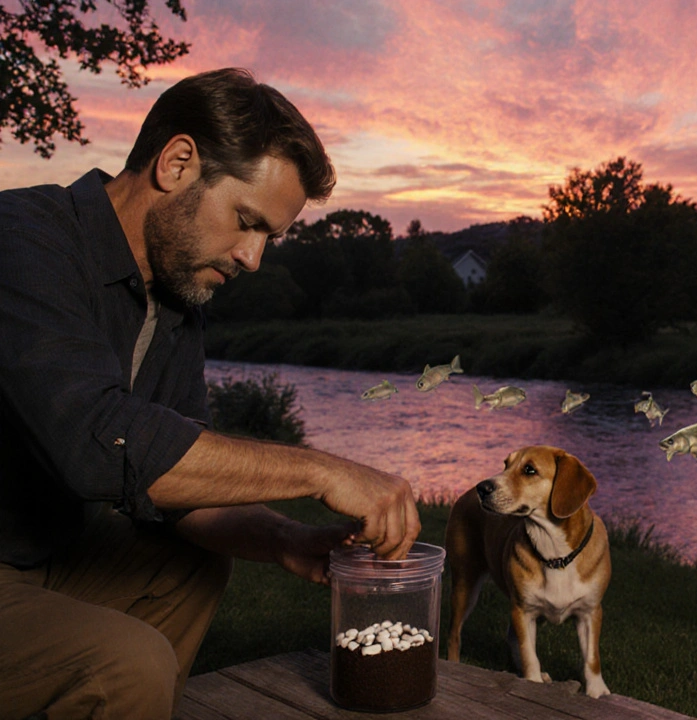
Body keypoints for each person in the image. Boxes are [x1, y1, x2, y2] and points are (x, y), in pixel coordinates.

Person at [0, 68, 421, 719]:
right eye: (246, 221)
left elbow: (174, 492)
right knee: (127, 662)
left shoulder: (176, 297)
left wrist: (282, 538)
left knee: (187, 565)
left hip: (38, 559)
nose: (253, 258)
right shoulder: (22, 241)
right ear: (176, 162)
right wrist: (316, 469)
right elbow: (97, 442)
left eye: (269, 238)